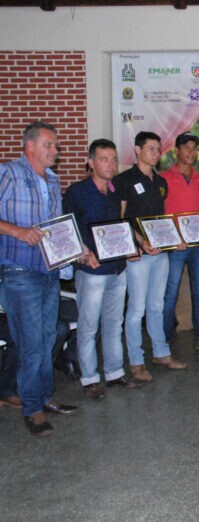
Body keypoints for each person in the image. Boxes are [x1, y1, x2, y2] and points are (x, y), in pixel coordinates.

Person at [0, 121, 78, 437]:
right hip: (19, 270)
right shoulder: (9, 173)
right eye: (49, 145)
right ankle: (32, 408)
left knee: (47, 338)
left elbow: (55, 227)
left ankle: (44, 397)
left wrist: (76, 248)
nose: (55, 151)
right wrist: (17, 231)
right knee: (32, 342)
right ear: (30, 146)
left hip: (50, 271)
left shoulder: (54, 180)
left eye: (55, 145)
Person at [63, 139, 144, 399]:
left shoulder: (114, 191)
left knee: (113, 324)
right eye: (104, 159)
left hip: (117, 269)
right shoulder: (76, 193)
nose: (110, 164)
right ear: (90, 163)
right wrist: (83, 255)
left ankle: (115, 373)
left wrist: (130, 247)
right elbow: (69, 231)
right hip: (92, 271)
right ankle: (89, 379)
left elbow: (120, 227)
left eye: (113, 159)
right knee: (88, 327)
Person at [115, 131, 187, 383]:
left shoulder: (160, 182)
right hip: (139, 254)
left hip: (160, 253)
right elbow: (120, 217)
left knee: (157, 305)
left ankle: (161, 353)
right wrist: (139, 242)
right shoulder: (123, 180)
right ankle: (136, 361)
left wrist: (172, 239)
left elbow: (161, 219)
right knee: (136, 308)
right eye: (151, 149)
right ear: (137, 150)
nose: (156, 154)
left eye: (158, 149)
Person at [160, 132, 199, 354]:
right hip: (175, 244)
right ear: (177, 150)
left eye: (194, 148)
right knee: (171, 292)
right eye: (186, 148)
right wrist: (170, 236)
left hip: (198, 243)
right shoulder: (163, 178)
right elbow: (160, 212)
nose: (191, 152)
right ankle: (163, 340)